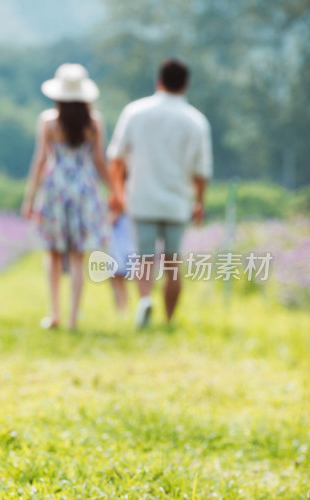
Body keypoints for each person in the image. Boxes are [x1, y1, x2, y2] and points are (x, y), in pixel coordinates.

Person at [107, 58, 212, 328]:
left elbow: (116, 160)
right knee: (172, 264)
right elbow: (201, 172)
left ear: (159, 81)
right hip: (177, 201)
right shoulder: (196, 121)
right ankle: (168, 319)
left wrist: (118, 192)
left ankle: (144, 300)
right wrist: (200, 201)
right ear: (186, 85)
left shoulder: (135, 112)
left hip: (141, 198)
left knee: (143, 258)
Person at [22, 63, 123, 330]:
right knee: (78, 255)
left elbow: (41, 160)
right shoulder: (94, 122)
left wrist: (29, 199)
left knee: (53, 254)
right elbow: (99, 161)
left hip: (55, 188)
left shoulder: (48, 121)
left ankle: (54, 313)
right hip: (85, 190)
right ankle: (73, 317)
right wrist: (115, 191)